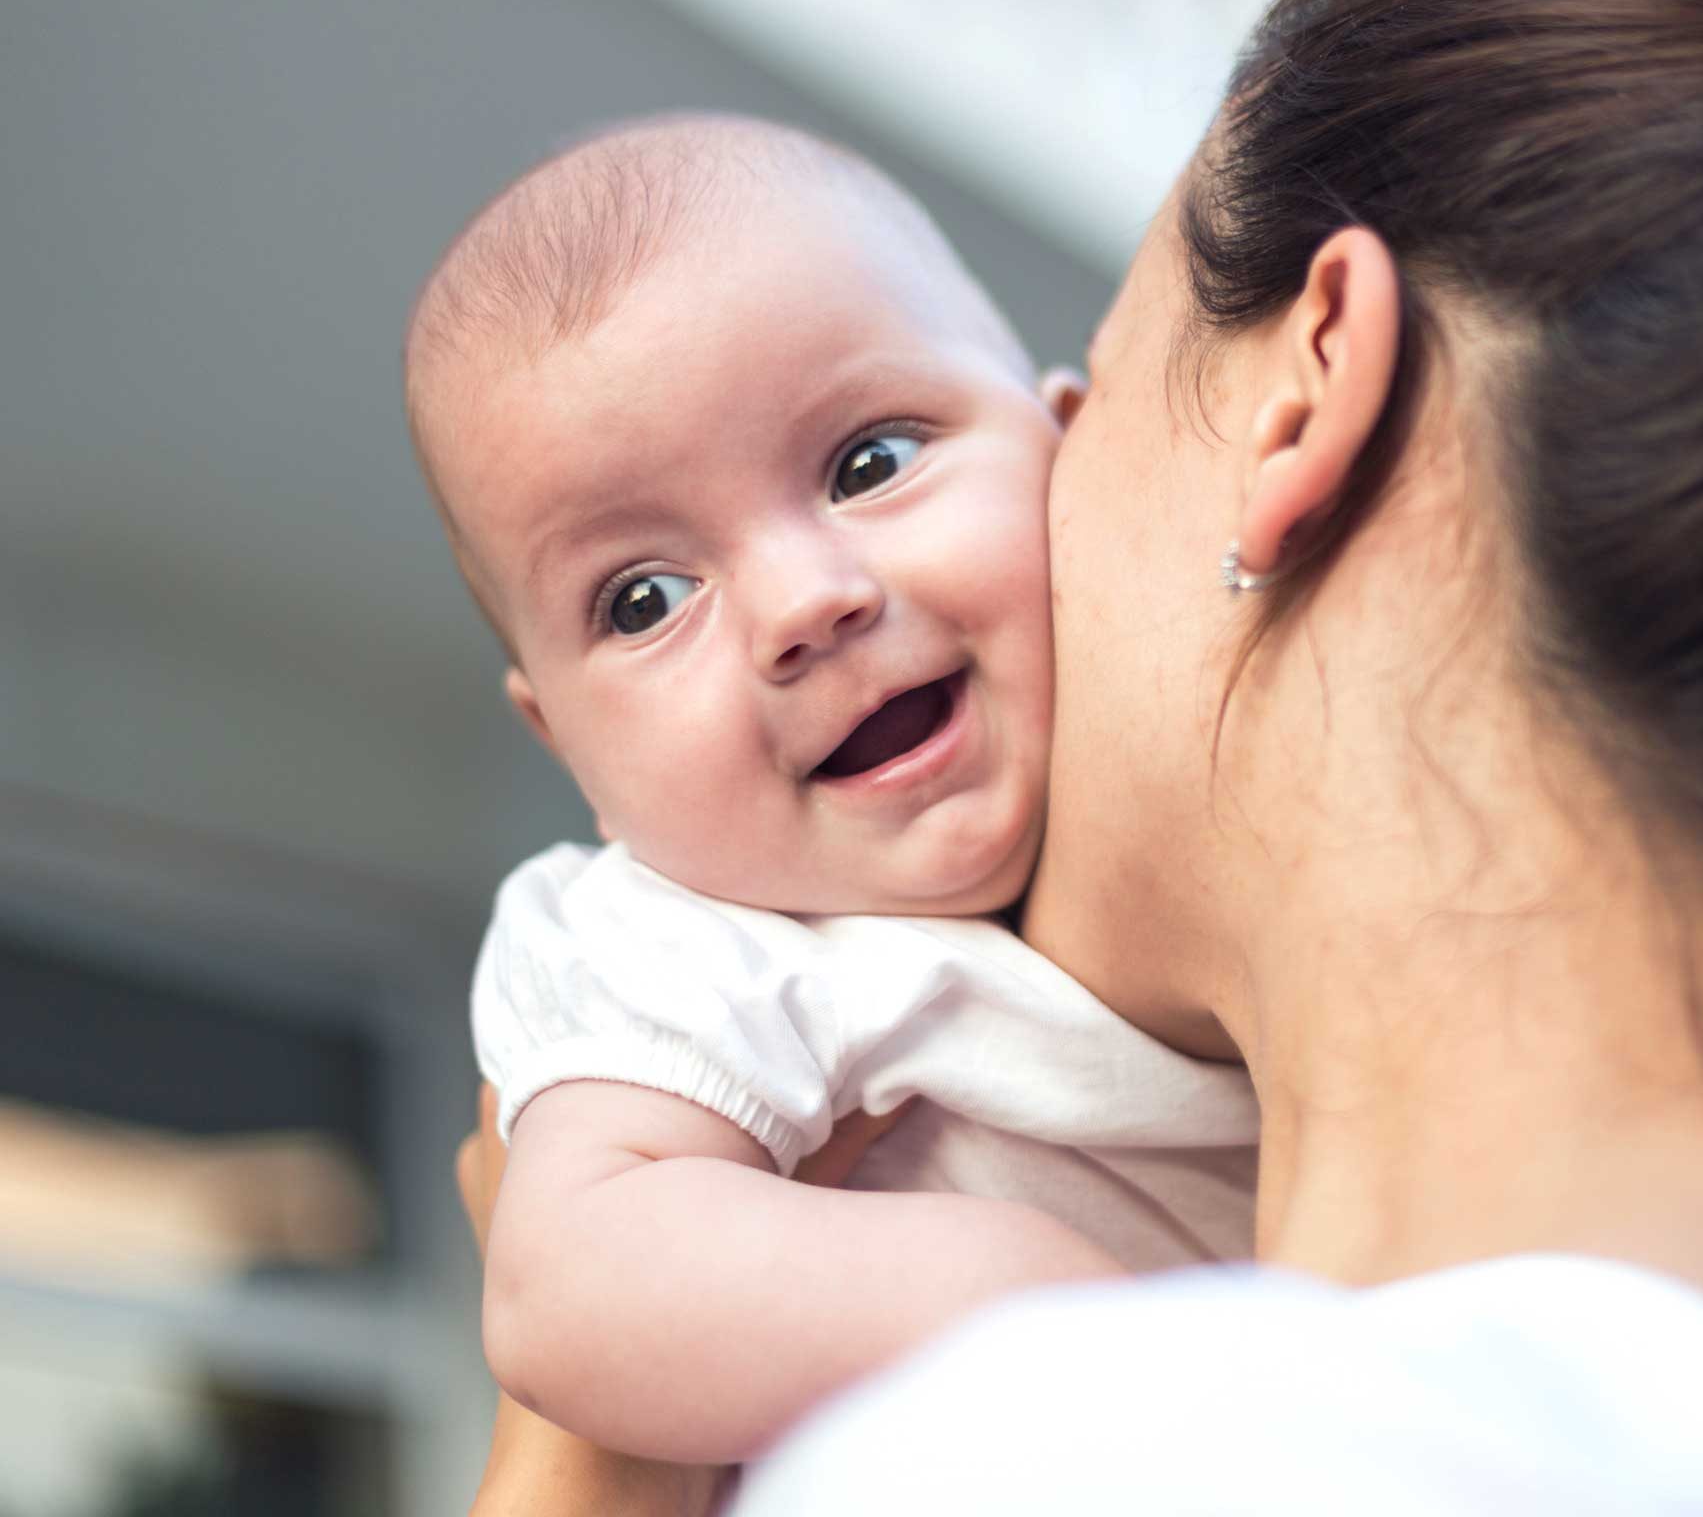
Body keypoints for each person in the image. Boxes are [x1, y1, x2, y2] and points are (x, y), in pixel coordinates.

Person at [461, 0, 1703, 1511]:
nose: (821, 604)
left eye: (1100, 386)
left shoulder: (1088, 1448)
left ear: (1305, 390)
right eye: (645, 597)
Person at [405, 115, 1258, 1463]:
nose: (802, 606)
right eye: (644, 600)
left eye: (870, 463)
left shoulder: (1231, 762)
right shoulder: (685, 941)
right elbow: (566, 1284)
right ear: (569, 751)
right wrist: (1033, 1300)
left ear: (1072, 454)